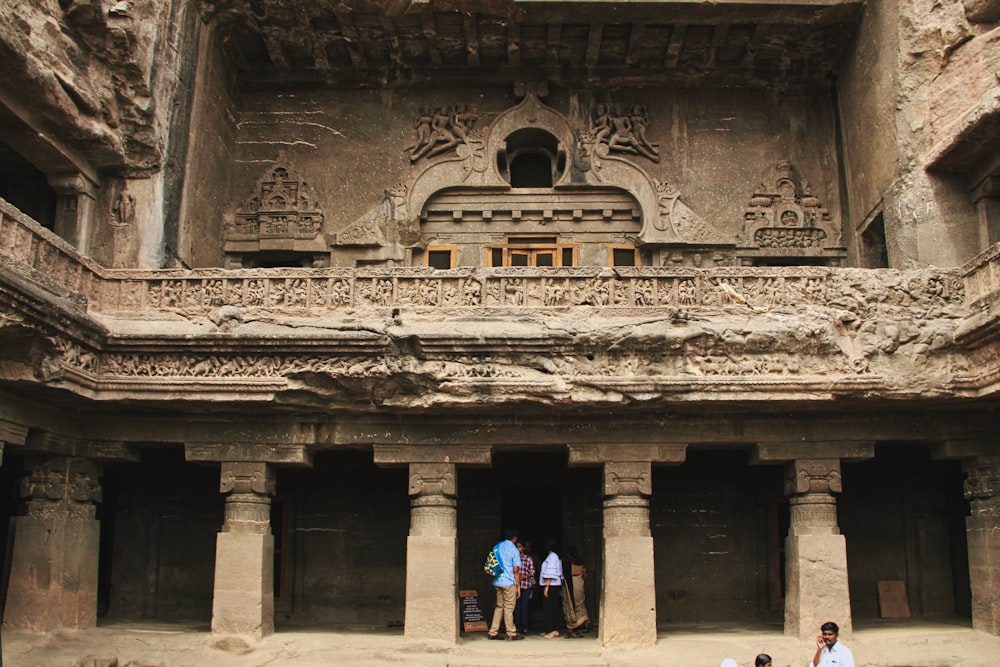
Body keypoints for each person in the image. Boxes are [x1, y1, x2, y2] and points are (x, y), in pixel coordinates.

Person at [487, 529, 523, 641]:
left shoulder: (497, 546)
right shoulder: (514, 550)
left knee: (499, 606)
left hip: (498, 581)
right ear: (515, 538)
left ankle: (493, 631)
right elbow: (516, 570)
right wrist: (518, 586)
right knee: (508, 607)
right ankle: (511, 633)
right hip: (509, 581)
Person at [562, 546, 590, 636]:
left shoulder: (568, 563)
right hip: (580, 582)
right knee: (580, 603)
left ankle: (572, 624)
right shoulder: (581, 562)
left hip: (572, 583)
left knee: (571, 602)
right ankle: (583, 623)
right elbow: (585, 575)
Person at [538, 539, 563, 638]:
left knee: (550, 607)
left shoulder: (552, 556)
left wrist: (547, 587)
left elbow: (550, 573)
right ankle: (549, 629)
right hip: (552, 585)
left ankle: (553, 630)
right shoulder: (554, 556)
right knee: (549, 607)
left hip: (551, 585)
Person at [514, 540, 535, 634]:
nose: (518, 549)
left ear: (523, 548)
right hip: (515, 585)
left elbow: (532, 571)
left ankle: (525, 627)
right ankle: (517, 626)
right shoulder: (513, 559)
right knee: (516, 607)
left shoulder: (528, 559)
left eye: (519, 546)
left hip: (526, 586)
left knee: (524, 607)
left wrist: (524, 577)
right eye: (516, 546)